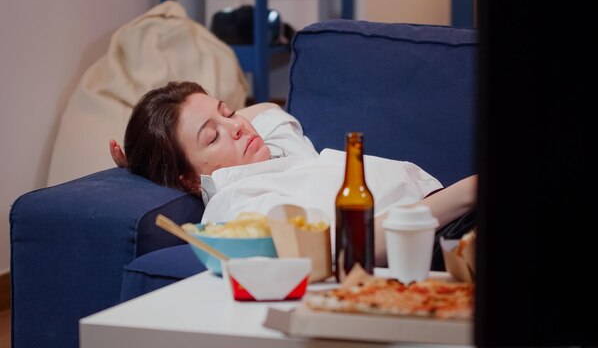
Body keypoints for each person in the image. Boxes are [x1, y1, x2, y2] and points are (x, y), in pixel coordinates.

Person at [110, 81, 477, 265]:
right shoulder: (240, 202)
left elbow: (266, 108)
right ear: (189, 181)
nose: (236, 126)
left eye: (228, 111)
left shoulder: (275, 149)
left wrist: (153, 157)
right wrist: (465, 194)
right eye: (212, 135)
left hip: (456, 219)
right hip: (430, 243)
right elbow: (341, 248)